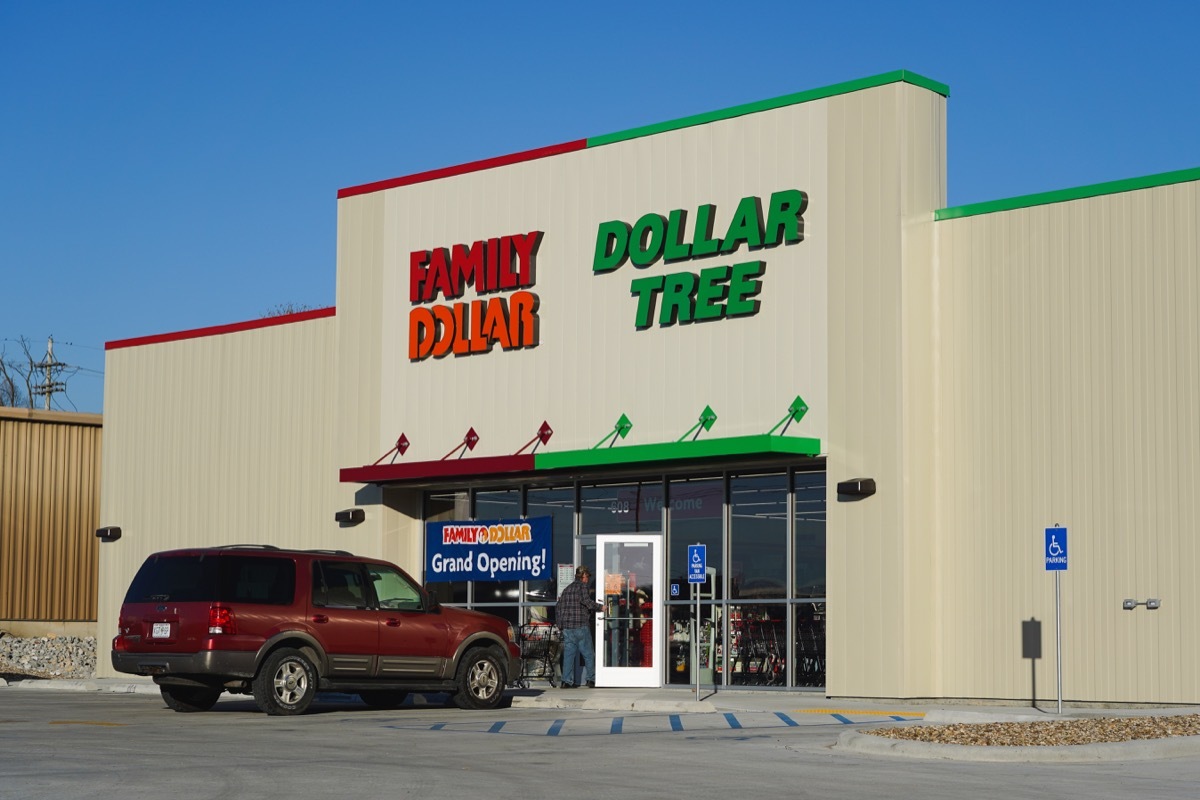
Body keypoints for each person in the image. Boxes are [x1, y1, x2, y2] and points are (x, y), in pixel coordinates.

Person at [556, 565, 603, 688]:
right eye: (587, 577)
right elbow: (586, 601)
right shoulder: (582, 587)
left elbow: (558, 607)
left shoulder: (567, 589)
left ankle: (566, 681)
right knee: (588, 654)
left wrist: (560, 625)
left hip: (567, 628)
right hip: (580, 625)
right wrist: (600, 607)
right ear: (583, 576)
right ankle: (591, 679)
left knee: (569, 655)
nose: (588, 579)